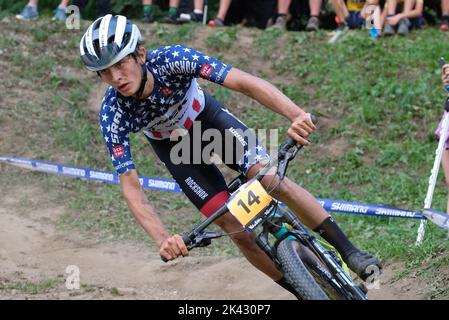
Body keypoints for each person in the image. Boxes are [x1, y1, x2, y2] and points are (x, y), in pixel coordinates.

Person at [79, 14, 382, 297]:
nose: (115, 76)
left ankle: (351, 253)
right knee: (234, 227)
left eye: (120, 64)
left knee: (271, 179)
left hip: (208, 122)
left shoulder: (173, 60)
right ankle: (302, 291)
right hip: (176, 150)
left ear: (141, 55)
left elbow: (244, 83)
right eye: (105, 71)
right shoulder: (113, 112)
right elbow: (130, 184)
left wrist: (296, 115)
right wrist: (162, 239)